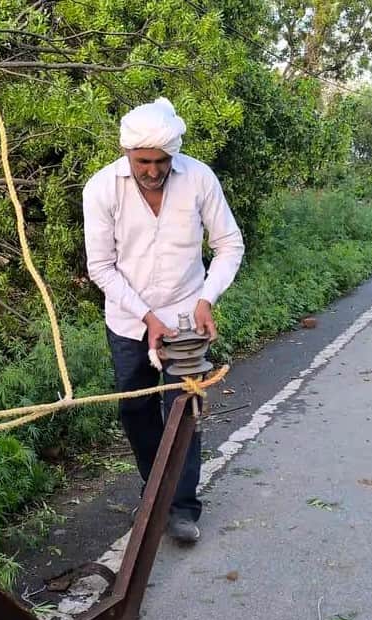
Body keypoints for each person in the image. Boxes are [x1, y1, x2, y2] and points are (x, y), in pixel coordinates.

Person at [83, 97, 244, 543]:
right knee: (135, 409)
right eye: (143, 161)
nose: (152, 170)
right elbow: (101, 267)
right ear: (127, 154)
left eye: (161, 161)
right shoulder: (100, 189)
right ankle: (154, 490)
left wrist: (207, 297)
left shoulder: (199, 179)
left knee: (183, 408)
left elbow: (229, 244)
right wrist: (145, 316)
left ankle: (181, 507)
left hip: (185, 319)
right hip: (128, 320)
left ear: (173, 154)